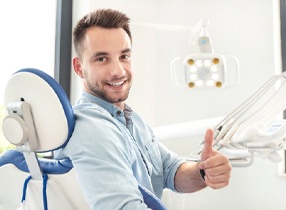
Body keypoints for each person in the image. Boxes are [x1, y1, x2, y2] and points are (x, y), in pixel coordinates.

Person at [56, 8, 232, 210]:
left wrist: (203, 171)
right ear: (79, 67)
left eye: (124, 56)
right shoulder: (91, 128)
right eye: (102, 59)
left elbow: (170, 170)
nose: (118, 71)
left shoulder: (130, 119)